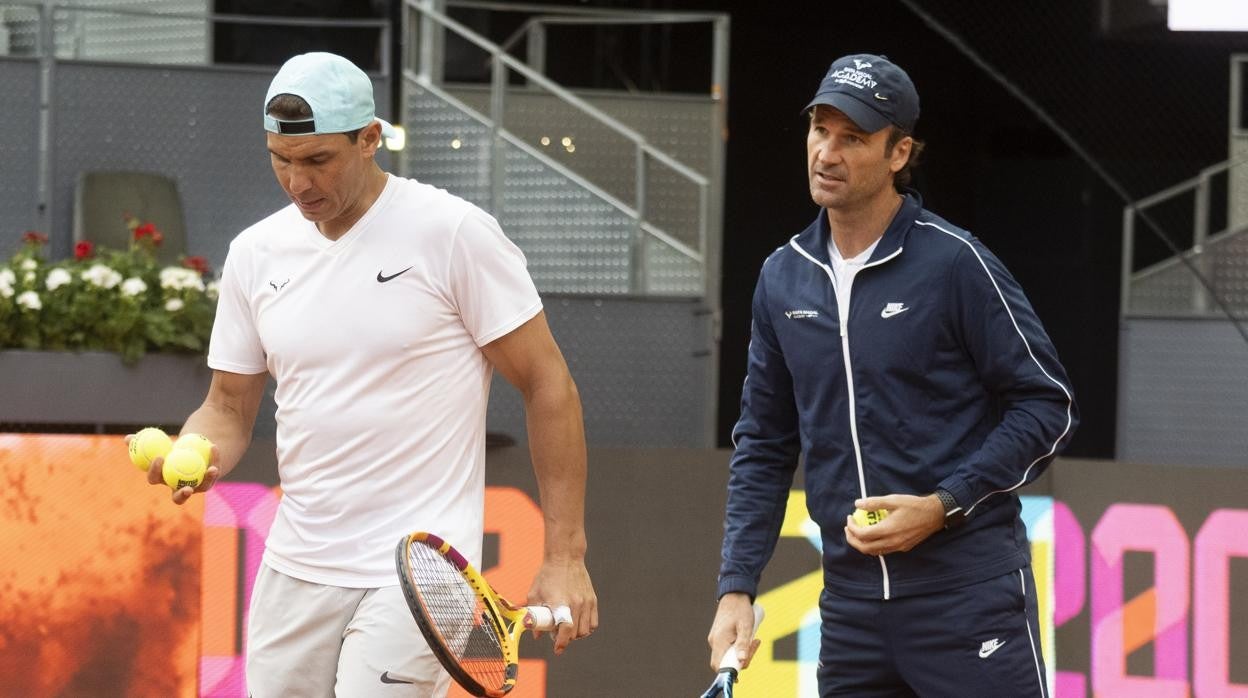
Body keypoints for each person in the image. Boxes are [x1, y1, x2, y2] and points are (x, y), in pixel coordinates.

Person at [139, 52, 597, 695]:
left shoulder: (455, 234)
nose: (299, 182)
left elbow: (549, 384)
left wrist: (563, 556)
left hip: (418, 579)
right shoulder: (254, 254)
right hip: (294, 568)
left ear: (370, 139)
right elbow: (229, 405)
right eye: (281, 159)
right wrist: (201, 447)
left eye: (318, 159)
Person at [706, 54, 1077, 696]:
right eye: (820, 130)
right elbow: (764, 444)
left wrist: (942, 506)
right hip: (850, 612)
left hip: (969, 597)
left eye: (854, 138)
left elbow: (1048, 407)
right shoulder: (781, 276)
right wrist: (736, 587)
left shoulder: (956, 263)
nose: (828, 152)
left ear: (899, 152)